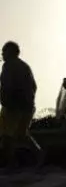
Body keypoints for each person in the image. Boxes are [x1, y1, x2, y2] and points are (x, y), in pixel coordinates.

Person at [0, 41, 44, 170]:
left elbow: (8, 86)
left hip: (13, 106)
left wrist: (8, 100)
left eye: (4, 51)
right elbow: (34, 86)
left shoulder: (9, 65)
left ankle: (10, 164)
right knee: (21, 134)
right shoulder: (24, 66)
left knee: (7, 135)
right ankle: (39, 153)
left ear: (12, 52)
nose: (2, 54)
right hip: (27, 105)